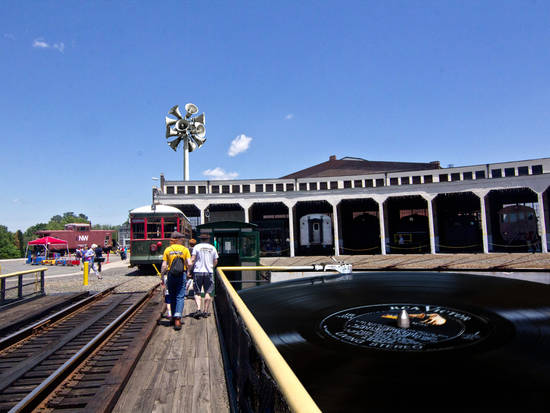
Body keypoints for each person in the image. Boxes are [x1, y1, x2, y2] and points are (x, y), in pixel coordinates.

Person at [161, 231, 192, 331]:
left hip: (171, 275)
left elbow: (164, 265)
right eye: (182, 239)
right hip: (181, 274)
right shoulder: (184, 249)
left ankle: (173, 318)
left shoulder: (168, 249)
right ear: (178, 239)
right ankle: (178, 318)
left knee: (172, 296)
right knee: (180, 296)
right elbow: (190, 263)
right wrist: (188, 271)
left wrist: (162, 277)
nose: (183, 240)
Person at [190, 232, 219, 319]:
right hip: (209, 272)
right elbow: (215, 261)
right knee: (208, 292)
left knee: (197, 292)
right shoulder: (212, 248)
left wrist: (189, 269)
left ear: (200, 239)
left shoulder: (196, 247)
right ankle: (205, 311)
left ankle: (198, 309)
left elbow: (193, 259)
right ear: (208, 239)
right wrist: (211, 267)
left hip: (197, 271)